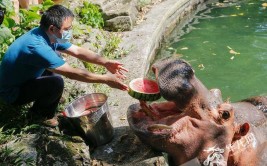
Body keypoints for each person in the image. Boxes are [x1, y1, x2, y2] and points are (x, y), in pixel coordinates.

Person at [0, 5, 129, 127]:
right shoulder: (37, 47)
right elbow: (71, 73)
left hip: (24, 76)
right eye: (66, 29)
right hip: (12, 92)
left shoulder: (46, 34)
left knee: (56, 58)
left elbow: (77, 51)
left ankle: (47, 99)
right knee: (56, 83)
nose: (69, 32)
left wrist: (105, 62)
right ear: (52, 28)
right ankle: (39, 115)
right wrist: (106, 79)